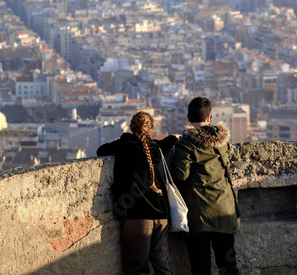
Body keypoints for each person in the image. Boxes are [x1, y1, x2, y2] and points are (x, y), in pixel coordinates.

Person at [96, 111, 179, 275]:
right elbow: (164, 144)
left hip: (138, 216)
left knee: (137, 268)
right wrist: (173, 138)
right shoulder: (154, 148)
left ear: (131, 126)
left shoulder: (125, 144)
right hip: (161, 214)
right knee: (162, 266)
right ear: (151, 128)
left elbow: (101, 150)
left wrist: (121, 140)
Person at [172, 97, 240, 275]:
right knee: (228, 266)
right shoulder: (223, 142)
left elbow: (181, 174)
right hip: (225, 211)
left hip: (200, 214)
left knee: (201, 269)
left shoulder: (186, 144)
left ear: (188, 118)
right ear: (209, 117)